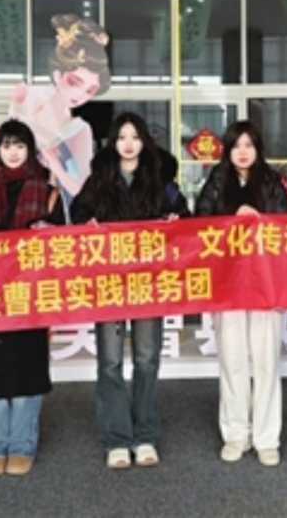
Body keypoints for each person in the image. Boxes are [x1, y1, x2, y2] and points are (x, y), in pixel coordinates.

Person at [69, 112, 190, 469]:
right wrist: (87, 223)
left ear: (144, 142)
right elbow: (77, 213)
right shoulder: (99, 179)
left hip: (148, 283)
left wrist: (175, 220)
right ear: (113, 142)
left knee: (147, 359)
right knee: (109, 362)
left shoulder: (159, 179)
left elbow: (184, 215)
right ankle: (117, 438)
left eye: (135, 136)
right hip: (109, 282)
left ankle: (145, 435)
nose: (128, 143)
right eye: (122, 137)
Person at [0, 120, 65, 477]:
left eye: (20, 145)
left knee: (26, 369)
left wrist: (48, 232)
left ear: (30, 150)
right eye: (6, 145)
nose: (13, 152)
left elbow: (65, 246)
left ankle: (21, 444)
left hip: (29, 295)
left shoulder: (48, 193)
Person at [194, 120, 287, 466]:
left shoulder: (271, 182)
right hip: (228, 285)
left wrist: (259, 219)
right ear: (227, 149)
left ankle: (267, 437)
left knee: (266, 363)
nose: (243, 151)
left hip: (266, 284)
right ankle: (236, 434)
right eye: (236, 145)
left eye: (249, 145)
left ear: (258, 149)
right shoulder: (217, 181)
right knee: (232, 360)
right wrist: (230, 218)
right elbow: (199, 224)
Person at [8, 13, 112, 209]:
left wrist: (54, 163)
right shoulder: (31, 99)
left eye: (90, 90)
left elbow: (82, 191)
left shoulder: (79, 130)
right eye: (75, 82)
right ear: (57, 74)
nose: (80, 95)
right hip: (21, 203)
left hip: (59, 210)